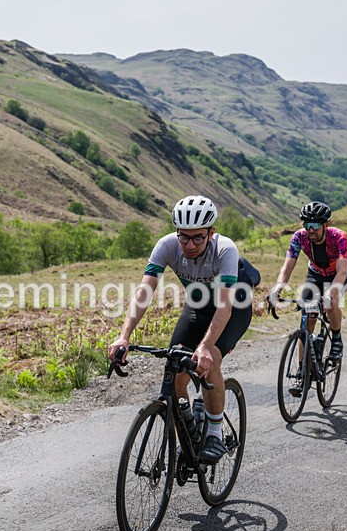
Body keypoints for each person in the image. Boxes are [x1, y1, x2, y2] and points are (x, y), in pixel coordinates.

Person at [107, 195, 256, 464]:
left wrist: (206, 346)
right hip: (198, 305)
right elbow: (144, 291)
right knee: (175, 370)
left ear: (211, 232)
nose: (189, 244)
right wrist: (124, 336)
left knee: (209, 362)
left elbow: (225, 306)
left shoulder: (225, 250)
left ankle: (214, 433)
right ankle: (188, 430)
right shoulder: (167, 245)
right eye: (183, 237)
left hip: (233, 308)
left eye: (197, 238)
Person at [269, 201, 347, 361]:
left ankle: (336, 339)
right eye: (307, 224)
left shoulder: (339, 237)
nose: (311, 230)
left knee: (330, 304)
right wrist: (277, 290)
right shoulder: (299, 237)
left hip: (338, 274)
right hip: (315, 274)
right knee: (308, 318)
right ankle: (302, 371)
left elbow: (342, 271)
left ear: (326, 224)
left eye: (315, 225)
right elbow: (286, 268)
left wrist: (330, 294)